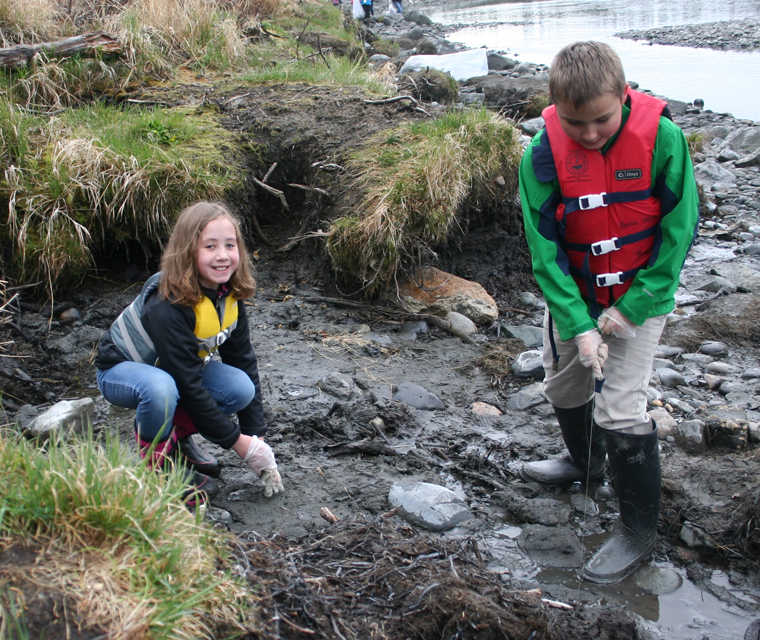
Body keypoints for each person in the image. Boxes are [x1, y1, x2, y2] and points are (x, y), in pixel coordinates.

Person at [518, 41, 698, 583]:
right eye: (576, 124)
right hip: (575, 293)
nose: (591, 134)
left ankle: (637, 532)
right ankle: (584, 463)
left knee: (620, 408)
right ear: (554, 107)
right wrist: (578, 324)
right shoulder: (540, 156)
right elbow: (543, 252)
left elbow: (679, 231)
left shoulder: (663, 138)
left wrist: (631, 311)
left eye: (602, 119)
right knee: (565, 387)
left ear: (624, 95)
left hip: (642, 292)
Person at [95, 200, 284, 503]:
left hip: (175, 371)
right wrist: (239, 445)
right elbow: (189, 385)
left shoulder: (229, 296)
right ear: (187, 251)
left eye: (230, 245)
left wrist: (255, 435)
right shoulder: (166, 305)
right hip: (121, 373)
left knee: (240, 387)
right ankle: (158, 468)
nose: (222, 256)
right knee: (160, 389)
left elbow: (243, 359)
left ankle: (177, 441)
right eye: (210, 246)